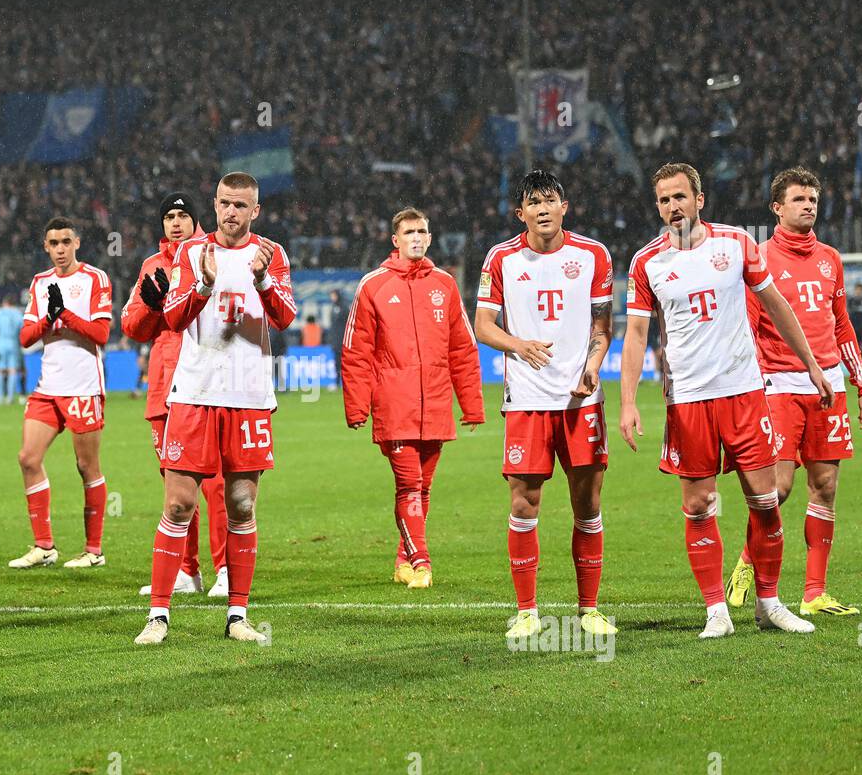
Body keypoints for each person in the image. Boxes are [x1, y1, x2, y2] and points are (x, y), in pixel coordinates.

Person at [619, 163, 828, 639]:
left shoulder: (735, 244)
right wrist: (628, 402)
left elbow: (777, 305)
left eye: (680, 197)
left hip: (744, 394)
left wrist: (812, 364)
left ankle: (770, 603)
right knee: (698, 506)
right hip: (689, 400)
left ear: (699, 199)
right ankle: (717, 610)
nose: (673, 207)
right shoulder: (646, 262)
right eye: (664, 200)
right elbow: (634, 335)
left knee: (766, 499)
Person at [134, 172, 296, 645]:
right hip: (194, 394)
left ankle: (237, 615)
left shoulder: (272, 254)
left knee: (241, 505)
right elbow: (172, 317)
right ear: (216, 203)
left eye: (241, 206)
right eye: (225, 203)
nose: (231, 213)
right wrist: (202, 286)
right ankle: (158, 616)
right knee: (179, 502)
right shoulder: (191, 252)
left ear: (255, 211)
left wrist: (263, 278)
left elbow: (284, 316)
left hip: (248, 398)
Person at [727, 166, 862, 616]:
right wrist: (750, 386)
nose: (808, 205)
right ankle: (748, 561)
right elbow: (749, 329)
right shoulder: (759, 258)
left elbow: (843, 325)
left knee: (825, 486)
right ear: (777, 208)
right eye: (798, 199)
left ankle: (815, 593)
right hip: (779, 382)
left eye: (812, 199)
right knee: (780, 486)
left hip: (828, 384)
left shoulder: (831, 257)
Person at [473, 170, 617, 637]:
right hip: (527, 402)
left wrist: (593, 366)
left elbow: (602, 328)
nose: (543, 209)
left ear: (564, 206)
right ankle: (528, 612)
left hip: (581, 402)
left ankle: (589, 610)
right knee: (524, 504)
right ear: (521, 213)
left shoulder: (593, 255)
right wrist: (518, 344)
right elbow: (482, 325)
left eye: (550, 200)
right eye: (534, 202)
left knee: (588, 504)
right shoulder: (501, 259)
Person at [343, 206, 485, 590]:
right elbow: (356, 350)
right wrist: (357, 406)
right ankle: (422, 561)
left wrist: (471, 404)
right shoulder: (373, 285)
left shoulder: (445, 284)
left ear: (430, 236)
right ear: (396, 240)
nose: (416, 238)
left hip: (436, 405)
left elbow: (462, 349)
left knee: (423, 489)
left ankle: (402, 560)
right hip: (395, 404)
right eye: (409, 233)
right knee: (409, 485)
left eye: (422, 231)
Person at [122, 191, 229, 597]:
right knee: (175, 486)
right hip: (165, 389)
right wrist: (152, 307)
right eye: (168, 216)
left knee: (217, 482)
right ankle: (187, 571)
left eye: (183, 215)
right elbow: (132, 327)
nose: (176, 222)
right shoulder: (152, 265)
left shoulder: (214, 255)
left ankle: (226, 570)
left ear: (196, 220)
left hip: (207, 385)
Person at [7, 217, 113, 570]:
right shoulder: (40, 283)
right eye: (53, 243)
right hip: (48, 388)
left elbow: (100, 334)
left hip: (83, 388)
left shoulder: (95, 279)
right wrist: (48, 318)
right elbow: (25, 338)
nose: (60, 249)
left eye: (66, 241)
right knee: (28, 458)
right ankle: (44, 546)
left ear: (77, 243)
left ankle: (93, 550)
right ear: (45, 247)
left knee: (86, 466)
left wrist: (64, 313)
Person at [0, 294, 24, 406]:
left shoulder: (0, 313)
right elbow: (22, 330)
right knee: (13, 370)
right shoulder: (18, 314)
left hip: (1, 344)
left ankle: (0, 398)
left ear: (5, 303)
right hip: (14, 344)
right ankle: (10, 398)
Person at [327, 288, 350, 388]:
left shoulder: (344, 307)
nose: (332, 297)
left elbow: (348, 324)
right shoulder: (333, 307)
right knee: (337, 362)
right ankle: (337, 383)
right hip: (336, 341)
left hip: (343, 340)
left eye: (333, 295)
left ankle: (346, 383)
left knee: (345, 363)